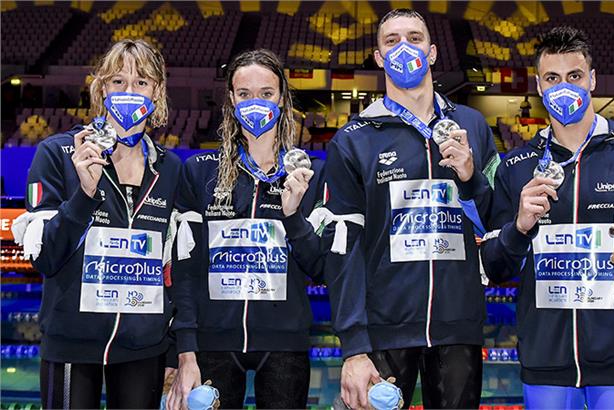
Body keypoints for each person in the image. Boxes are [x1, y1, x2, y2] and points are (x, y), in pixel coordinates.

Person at [480, 26, 614, 409]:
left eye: (574, 76)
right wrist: (518, 228)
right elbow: (494, 265)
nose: (563, 87)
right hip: (545, 363)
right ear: (539, 85)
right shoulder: (516, 167)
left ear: (592, 80)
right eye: (552, 78)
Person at [322, 8, 500, 409]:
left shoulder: (473, 126)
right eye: (392, 41)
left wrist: (471, 177)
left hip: (458, 328)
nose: (404, 48)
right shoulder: (353, 140)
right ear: (379, 58)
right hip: (384, 331)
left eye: (414, 38)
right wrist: (353, 345)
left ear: (433, 52)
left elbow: (496, 221)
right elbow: (343, 252)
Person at [16, 39, 181, 408]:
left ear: (157, 92)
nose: (129, 91)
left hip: (144, 347)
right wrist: (84, 196)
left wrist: (174, 351)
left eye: (142, 82)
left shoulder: (170, 169)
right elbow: (45, 258)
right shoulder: (59, 153)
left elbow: (175, 269)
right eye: (118, 81)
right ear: (102, 88)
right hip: (73, 344)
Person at [166, 49, 325, 409]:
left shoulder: (309, 174)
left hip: (285, 343)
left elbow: (319, 267)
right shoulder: (200, 172)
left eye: (266, 94)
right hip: (214, 343)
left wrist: (293, 216)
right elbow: (185, 272)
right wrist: (186, 349)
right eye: (245, 94)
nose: (256, 103)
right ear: (231, 101)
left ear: (281, 98)